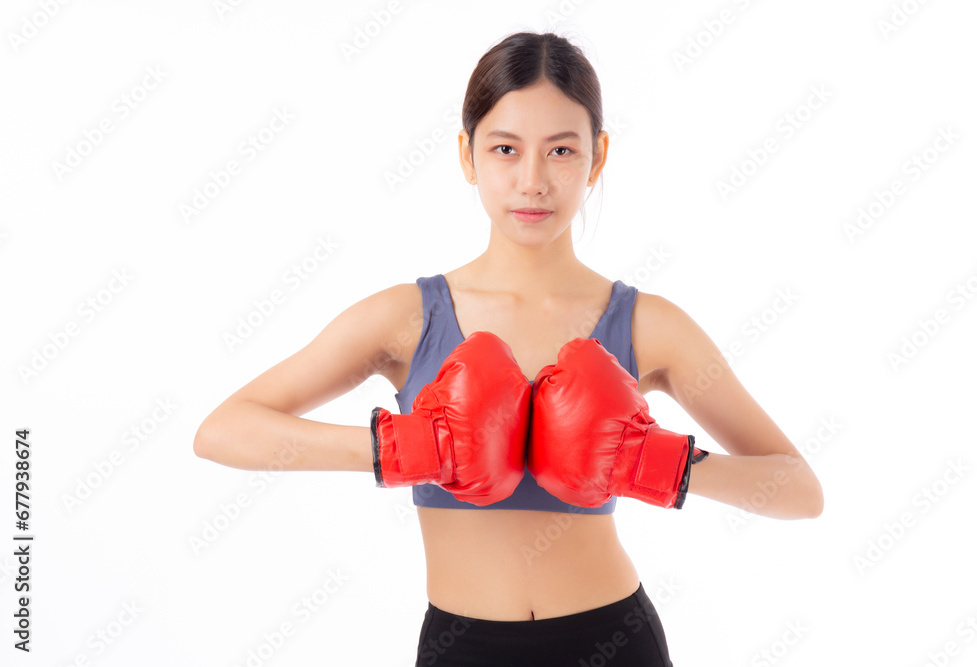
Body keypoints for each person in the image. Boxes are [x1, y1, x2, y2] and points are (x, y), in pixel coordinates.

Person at [193, 30, 824, 667]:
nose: (532, 181)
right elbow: (223, 432)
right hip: (461, 646)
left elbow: (800, 490)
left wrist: (649, 462)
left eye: (560, 150)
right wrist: (409, 448)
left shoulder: (646, 325)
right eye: (504, 149)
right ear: (467, 156)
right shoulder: (407, 319)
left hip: (613, 641)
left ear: (597, 158)